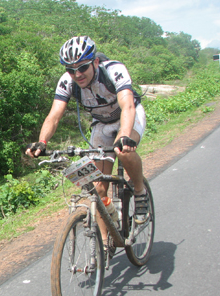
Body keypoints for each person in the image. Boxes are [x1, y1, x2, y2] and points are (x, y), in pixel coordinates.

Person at [25, 36, 149, 250]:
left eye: (82, 67)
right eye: (71, 70)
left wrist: (124, 135)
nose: (77, 74)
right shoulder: (67, 81)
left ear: (95, 62)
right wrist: (42, 141)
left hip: (128, 116)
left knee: (123, 151)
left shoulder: (114, 70)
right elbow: (54, 115)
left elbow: (127, 105)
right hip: (101, 124)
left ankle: (140, 192)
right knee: (98, 189)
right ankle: (104, 242)